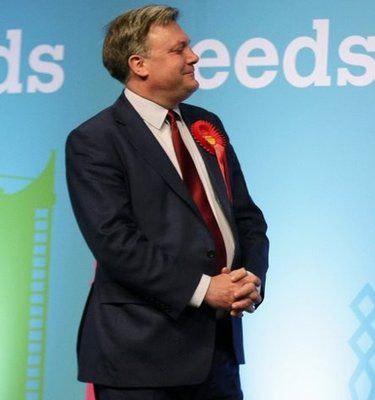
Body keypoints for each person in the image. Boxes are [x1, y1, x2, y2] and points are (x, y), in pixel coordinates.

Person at [65, 5, 269, 400]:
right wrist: (204, 289)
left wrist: (249, 280)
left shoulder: (205, 123)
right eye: (179, 49)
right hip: (140, 361)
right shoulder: (96, 140)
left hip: (217, 354)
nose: (194, 56)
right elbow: (115, 243)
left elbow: (246, 218)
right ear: (139, 64)